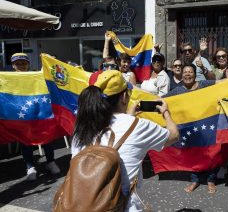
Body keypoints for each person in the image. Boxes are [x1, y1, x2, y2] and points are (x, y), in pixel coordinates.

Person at [72, 70, 179, 211]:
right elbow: (173, 136)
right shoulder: (137, 125)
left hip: (82, 205)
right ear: (124, 97)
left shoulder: (81, 128)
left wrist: (128, 116)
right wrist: (165, 112)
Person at [164, 63, 218, 194]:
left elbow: (222, 84)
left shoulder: (204, 84)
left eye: (190, 72)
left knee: (211, 151)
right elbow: (161, 100)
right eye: (185, 72)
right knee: (192, 153)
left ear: (195, 74)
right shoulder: (177, 90)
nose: (187, 74)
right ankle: (195, 179)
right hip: (190, 128)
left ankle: (211, 179)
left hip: (207, 125)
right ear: (182, 75)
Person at [11, 53, 60, 181]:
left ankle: (50, 162)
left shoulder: (35, 75)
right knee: (25, 140)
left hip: (39, 111)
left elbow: (46, 75)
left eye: (23, 63)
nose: (21, 65)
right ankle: (30, 167)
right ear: (13, 65)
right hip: (21, 113)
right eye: (18, 63)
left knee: (46, 137)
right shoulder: (8, 79)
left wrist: (50, 61)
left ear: (28, 64)